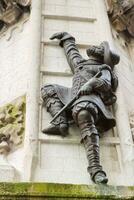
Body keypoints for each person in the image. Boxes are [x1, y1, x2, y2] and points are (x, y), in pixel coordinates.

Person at [41, 32, 120, 184]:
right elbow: (72, 53)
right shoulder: (81, 64)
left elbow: (105, 83)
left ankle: (96, 169)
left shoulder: (103, 68)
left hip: (91, 100)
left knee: (83, 113)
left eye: (100, 49)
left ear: (103, 56)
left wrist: (90, 84)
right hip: (72, 96)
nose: (96, 47)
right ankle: (61, 124)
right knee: (48, 89)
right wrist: (67, 38)